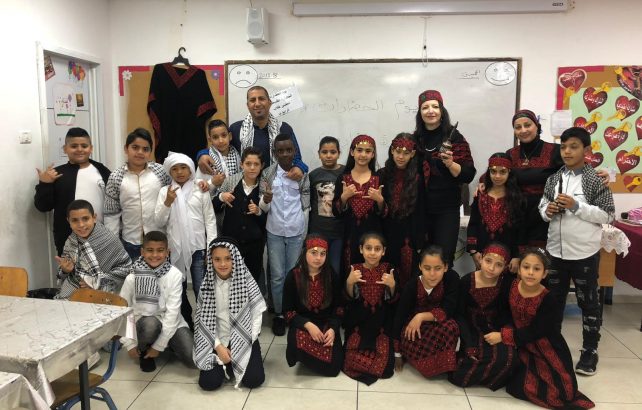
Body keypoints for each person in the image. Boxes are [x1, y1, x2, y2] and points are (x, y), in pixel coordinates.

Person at [539, 126, 615, 376]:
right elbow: (542, 207)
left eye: (573, 147)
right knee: (553, 302)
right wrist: (548, 211)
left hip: (584, 253)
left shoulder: (595, 179)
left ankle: (590, 350)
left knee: (589, 303)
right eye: (563, 147)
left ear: (586, 150)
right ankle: (553, 346)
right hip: (555, 252)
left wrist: (576, 206)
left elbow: (608, 215)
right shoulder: (554, 179)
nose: (567, 152)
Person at [487, 248, 595, 409]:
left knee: (561, 393)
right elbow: (504, 313)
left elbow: (538, 330)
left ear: (544, 274)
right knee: (514, 384)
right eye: (526, 267)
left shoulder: (548, 298)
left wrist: (504, 336)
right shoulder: (510, 286)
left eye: (536, 269)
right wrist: (504, 331)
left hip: (546, 346)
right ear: (519, 269)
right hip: (521, 343)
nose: (530, 272)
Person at [194, 237, 267, 391]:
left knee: (254, 380)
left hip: (245, 337)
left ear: (236, 259)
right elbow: (203, 322)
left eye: (228, 259)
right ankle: (227, 362)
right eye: (217, 259)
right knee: (208, 383)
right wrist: (218, 346)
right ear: (211, 261)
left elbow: (257, 317)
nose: (223, 264)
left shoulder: (247, 282)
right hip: (217, 339)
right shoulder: (206, 286)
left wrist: (242, 345)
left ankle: (236, 362)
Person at [414, 90, 476, 265]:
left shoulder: (454, 137)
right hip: (420, 209)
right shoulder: (415, 139)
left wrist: (450, 163)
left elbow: (468, 174)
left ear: (442, 110)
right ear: (420, 113)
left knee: (444, 259)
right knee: (421, 260)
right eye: (425, 107)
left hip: (446, 210)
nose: (430, 111)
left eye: (435, 106)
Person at [120, 231, 194, 372]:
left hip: (171, 323)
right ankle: (144, 351)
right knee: (151, 324)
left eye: (160, 250)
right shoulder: (132, 277)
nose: (155, 255)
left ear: (167, 252)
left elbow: (173, 313)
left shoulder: (175, 275)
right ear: (142, 252)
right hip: (144, 323)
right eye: (150, 250)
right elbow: (123, 311)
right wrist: (129, 344)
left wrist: (159, 346)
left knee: (192, 359)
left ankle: (166, 344)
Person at [197, 86, 307, 180]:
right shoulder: (236, 129)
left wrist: (300, 167)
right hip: (245, 190)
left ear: (269, 103)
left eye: (261, 99)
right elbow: (220, 147)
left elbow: (297, 157)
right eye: (253, 100)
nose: (257, 104)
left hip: (276, 189)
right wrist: (202, 154)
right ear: (248, 105)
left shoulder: (284, 128)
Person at [259, 133, 310, 336]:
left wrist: (304, 232)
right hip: (275, 231)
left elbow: (306, 205)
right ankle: (279, 314)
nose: (285, 154)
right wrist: (266, 199)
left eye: (289, 150)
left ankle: (292, 313)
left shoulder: (302, 174)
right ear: (275, 153)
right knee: (277, 276)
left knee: (294, 274)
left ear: (294, 151)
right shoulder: (268, 174)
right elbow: (263, 207)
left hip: (296, 231)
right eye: (280, 151)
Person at [34, 127, 111, 256]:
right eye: (74, 146)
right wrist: (45, 184)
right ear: (65, 149)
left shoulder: (101, 169)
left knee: (103, 268)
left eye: (84, 146)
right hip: (68, 238)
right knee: (70, 268)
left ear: (91, 148)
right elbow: (43, 206)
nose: (79, 149)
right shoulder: (57, 174)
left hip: (100, 236)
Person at [449, 243, 516, 390]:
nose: (491, 268)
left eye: (498, 265)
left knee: (508, 359)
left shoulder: (506, 284)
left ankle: (486, 376)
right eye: (488, 261)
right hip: (470, 330)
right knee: (464, 368)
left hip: (494, 330)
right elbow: (459, 315)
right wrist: (468, 343)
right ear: (481, 259)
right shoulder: (466, 281)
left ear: (505, 267)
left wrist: (502, 334)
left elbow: (509, 314)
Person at [392, 245, 459, 378]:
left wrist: (421, 316)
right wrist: (397, 354)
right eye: (427, 268)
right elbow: (399, 316)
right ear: (420, 267)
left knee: (451, 327)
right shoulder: (412, 285)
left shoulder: (451, 279)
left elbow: (448, 309)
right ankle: (432, 365)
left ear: (445, 267)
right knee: (411, 338)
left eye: (438, 268)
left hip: (439, 323)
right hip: (415, 327)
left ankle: (444, 363)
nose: (432, 274)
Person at [104, 128, 171, 261]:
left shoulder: (160, 172)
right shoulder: (116, 177)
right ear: (126, 149)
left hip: (159, 241)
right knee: (133, 275)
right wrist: (113, 246)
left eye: (145, 149)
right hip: (130, 243)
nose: (140, 152)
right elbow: (111, 215)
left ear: (150, 152)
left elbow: (173, 200)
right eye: (135, 147)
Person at [282, 235, 344, 377]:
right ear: (305, 252)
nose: (318, 258)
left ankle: (313, 358)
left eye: (323, 254)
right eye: (314, 253)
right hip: (304, 325)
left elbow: (339, 308)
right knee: (296, 344)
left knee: (334, 367)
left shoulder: (331, 275)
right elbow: (288, 312)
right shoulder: (293, 276)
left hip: (326, 324)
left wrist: (333, 329)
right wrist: (308, 326)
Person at [343, 232, 397, 385]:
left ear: (383, 251)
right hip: (359, 324)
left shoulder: (388, 269)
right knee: (347, 360)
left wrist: (392, 285)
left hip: (381, 325)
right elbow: (348, 299)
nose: (372, 253)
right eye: (368, 248)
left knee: (387, 369)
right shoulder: (354, 269)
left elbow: (393, 300)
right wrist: (350, 283)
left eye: (377, 249)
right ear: (361, 249)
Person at [54, 200, 131, 299]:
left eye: (85, 219)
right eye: (75, 220)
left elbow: (125, 268)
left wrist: (96, 282)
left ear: (94, 218)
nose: (81, 225)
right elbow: (64, 271)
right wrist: (65, 270)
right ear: (68, 221)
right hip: (73, 290)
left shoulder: (109, 239)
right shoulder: (71, 241)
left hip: (102, 294)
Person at [333, 135, 386, 275]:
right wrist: (344, 198)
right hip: (349, 234)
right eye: (359, 150)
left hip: (373, 234)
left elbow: (386, 213)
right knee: (349, 271)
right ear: (352, 152)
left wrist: (380, 200)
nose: (363, 154)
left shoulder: (379, 178)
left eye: (368, 151)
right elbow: (336, 212)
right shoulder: (343, 178)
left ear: (373, 154)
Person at [213, 147, 267, 284]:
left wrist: (258, 212)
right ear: (241, 164)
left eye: (256, 164)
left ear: (262, 166)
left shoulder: (264, 187)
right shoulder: (231, 182)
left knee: (252, 279)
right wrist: (222, 197)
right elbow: (214, 207)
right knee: (230, 278)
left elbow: (268, 218)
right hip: (231, 241)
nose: (252, 168)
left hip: (254, 243)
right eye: (248, 163)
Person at [379, 133, 425, 289]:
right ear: (392, 150)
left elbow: (421, 211)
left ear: (412, 154)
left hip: (408, 234)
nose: (401, 156)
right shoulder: (382, 174)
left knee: (407, 273)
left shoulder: (418, 178)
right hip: (386, 231)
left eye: (406, 153)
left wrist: (420, 240)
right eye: (398, 151)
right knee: (386, 272)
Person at [467, 153, 525, 272]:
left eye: (502, 172)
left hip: (508, 256)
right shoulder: (480, 195)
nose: (497, 176)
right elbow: (473, 224)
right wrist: (473, 251)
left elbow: (521, 229)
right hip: (482, 254)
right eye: (493, 171)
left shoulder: (517, 198)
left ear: (509, 172)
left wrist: (517, 256)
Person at [308, 136, 345, 275]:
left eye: (333, 152)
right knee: (317, 269)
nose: (328, 155)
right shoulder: (313, 175)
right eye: (324, 152)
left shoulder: (346, 173)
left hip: (338, 232)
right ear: (319, 154)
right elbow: (309, 203)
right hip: (318, 231)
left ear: (339, 153)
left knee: (335, 269)